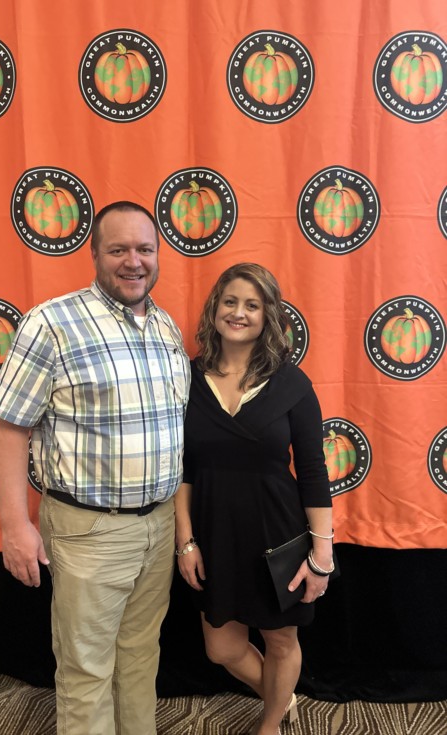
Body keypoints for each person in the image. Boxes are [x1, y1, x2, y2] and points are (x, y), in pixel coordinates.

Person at [0, 201, 190, 735]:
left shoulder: (166, 327)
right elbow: (9, 429)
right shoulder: (52, 324)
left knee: (141, 655)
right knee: (86, 671)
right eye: (118, 249)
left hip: (158, 525)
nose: (133, 261)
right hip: (89, 531)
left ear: (158, 254)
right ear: (95, 254)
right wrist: (15, 526)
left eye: (144, 249)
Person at [174, 263, 333, 735]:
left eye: (252, 305)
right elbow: (183, 470)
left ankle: (270, 725)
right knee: (221, 648)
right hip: (214, 532)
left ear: (268, 317)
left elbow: (313, 472)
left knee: (281, 642)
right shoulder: (188, 379)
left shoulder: (292, 384)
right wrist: (185, 541)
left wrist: (322, 552)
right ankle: (282, 697)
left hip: (277, 533)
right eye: (230, 302)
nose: (238, 313)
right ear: (215, 309)